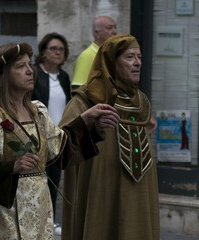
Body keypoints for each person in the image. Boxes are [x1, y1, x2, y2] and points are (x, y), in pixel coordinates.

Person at [0, 42, 119, 239]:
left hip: (40, 210)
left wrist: (87, 121)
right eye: (20, 66)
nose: (29, 71)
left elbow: (60, 150)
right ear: (3, 75)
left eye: (29, 64)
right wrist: (12, 166)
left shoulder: (38, 112)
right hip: (4, 215)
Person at [59, 34, 160, 240]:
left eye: (139, 57)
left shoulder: (140, 101)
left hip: (137, 189)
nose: (137, 63)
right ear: (111, 62)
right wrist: (89, 125)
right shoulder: (86, 100)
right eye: (130, 57)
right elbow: (60, 144)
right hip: (102, 189)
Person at [32, 32, 71, 235]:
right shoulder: (34, 73)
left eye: (61, 49)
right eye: (53, 49)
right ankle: (34, 221)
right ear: (43, 52)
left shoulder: (64, 77)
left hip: (58, 138)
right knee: (36, 181)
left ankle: (51, 221)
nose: (57, 52)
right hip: (38, 137)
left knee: (54, 180)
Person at [71, 15, 117, 89]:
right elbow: (78, 89)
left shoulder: (111, 55)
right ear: (97, 33)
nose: (114, 31)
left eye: (115, 27)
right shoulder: (86, 56)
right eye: (109, 27)